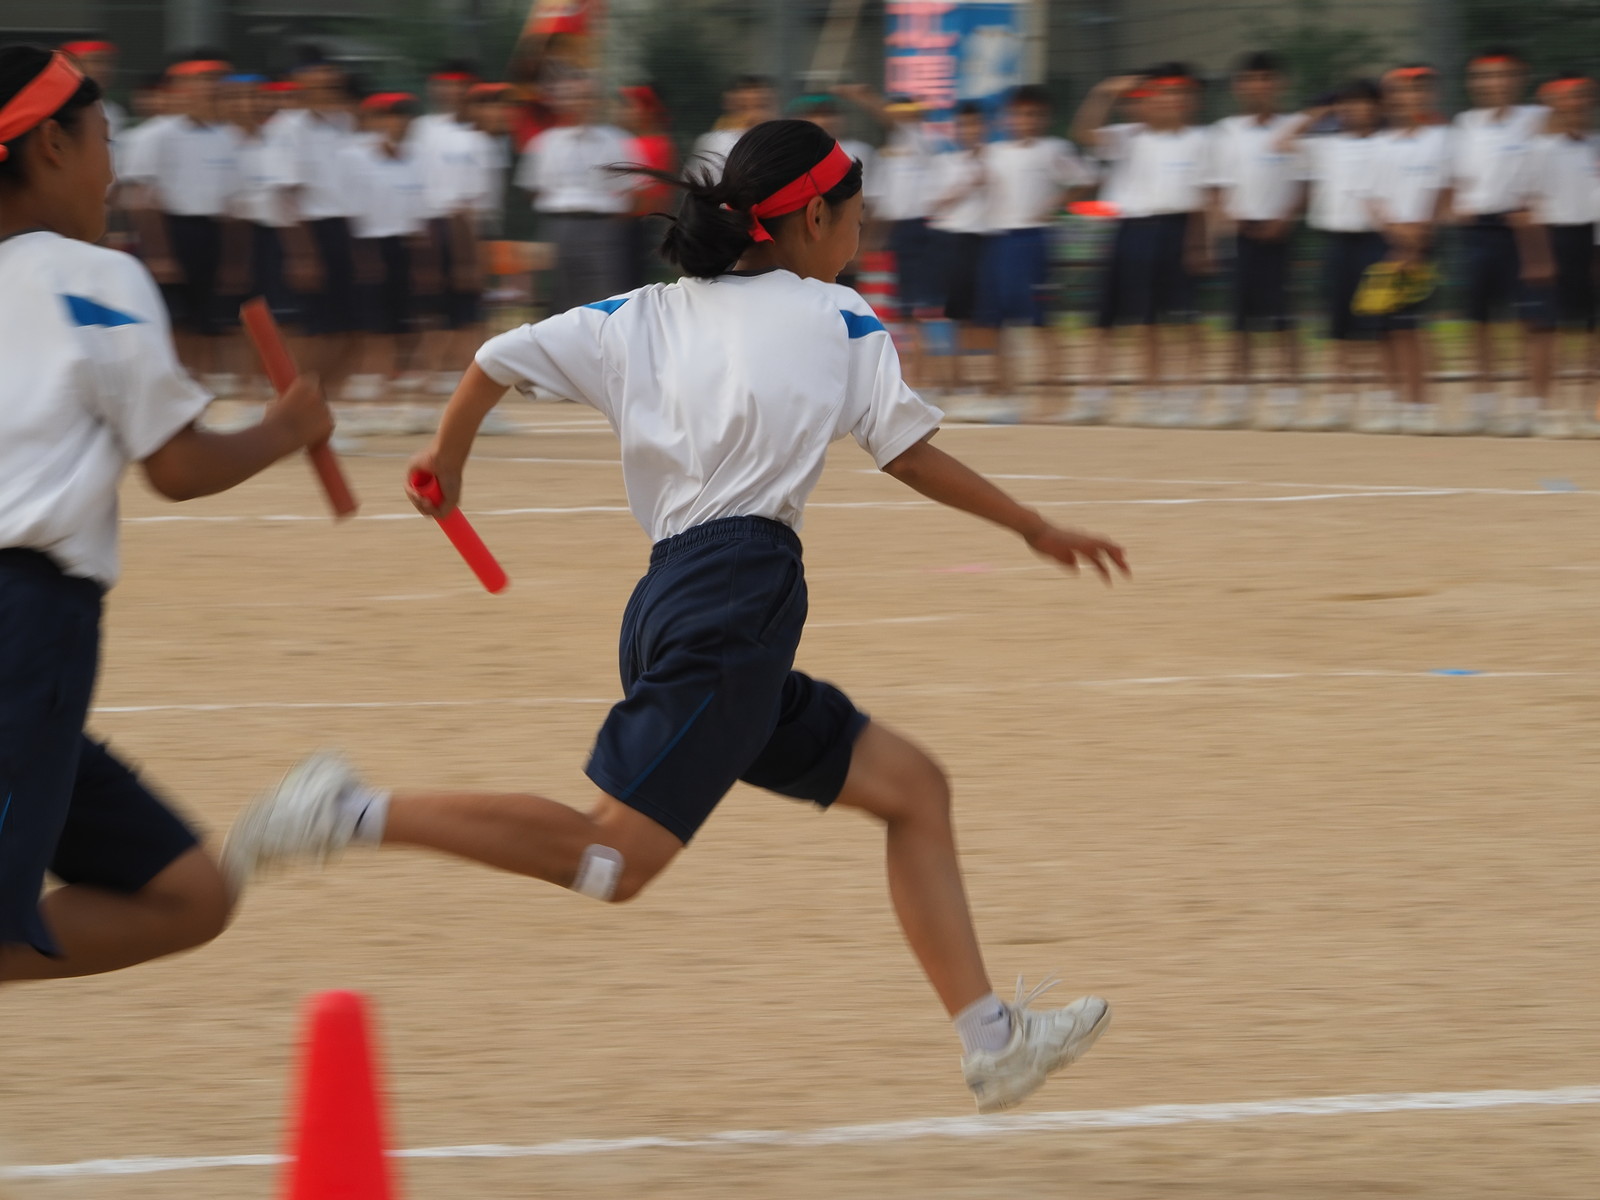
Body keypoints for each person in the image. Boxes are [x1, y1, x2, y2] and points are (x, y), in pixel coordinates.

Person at [224, 118, 1127, 1114]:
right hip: (737, 600)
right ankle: (347, 810)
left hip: (673, 600)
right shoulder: (838, 318)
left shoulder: (639, 313)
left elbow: (492, 358)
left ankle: (991, 1040)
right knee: (608, 860)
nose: (859, 243)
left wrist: (447, 462)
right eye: (856, 221)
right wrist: (1032, 526)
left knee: (911, 787)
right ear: (812, 216)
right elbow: (908, 454)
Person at [0, 45, 333, 985]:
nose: (114, 170)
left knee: (187, 890)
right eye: (105, 141)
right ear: (52, 148)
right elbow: (179, 466)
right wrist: (287, 428)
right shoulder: (90, 278)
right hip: (24, 631)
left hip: (36, 657)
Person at [1073, 67, 1211, 427]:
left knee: (1183, 317)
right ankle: (1142, 394)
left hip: (1179, 228)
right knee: (1135, 317)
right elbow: (1084, 133)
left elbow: (1205, 196)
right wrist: (1104, 91)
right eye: (1158, 94)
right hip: (1132, 228)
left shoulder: (1200, 139)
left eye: (1177, 95)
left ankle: (1186, 394)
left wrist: (1199, 242)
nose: (1168, 102)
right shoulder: (1129, 136)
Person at [1276, 80, 1389, 431]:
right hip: (1336, 241)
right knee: (1336, 325)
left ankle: (1378, 402)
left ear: (1377, 107)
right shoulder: (1326, 146)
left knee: (1378, 324)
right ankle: (1338, 402)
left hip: (1376, 241)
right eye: (1345, 104)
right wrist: (1319, 111)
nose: (1352, 110)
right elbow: (1280, 141)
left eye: (1361, 103)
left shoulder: (1388, 145)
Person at [975, 84, 1092, 418]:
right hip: (997, 238)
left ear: (1045, 118)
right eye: (1019, 113)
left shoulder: (1053, 148)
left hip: (1033, 239)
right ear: (1007, 118)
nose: (1026, 120)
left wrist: (1055, 205)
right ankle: (1004, 395)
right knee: (996, 321)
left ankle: (1057, 397)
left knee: (1041, 321)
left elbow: (1085, 179)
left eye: (1034, 114)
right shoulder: (993, 152)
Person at [1451, 48, 1549, 435]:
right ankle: (1483, 407)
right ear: (1474, 83)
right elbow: (1458, 179)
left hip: (1523, 231)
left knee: (1532, 319)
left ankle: (1532, 408)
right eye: (1484, 77)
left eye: (1502, 75)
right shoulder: (1465, 123)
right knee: (1480, 321)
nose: (1494, 83)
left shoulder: (1538, 118)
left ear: (1518, 78)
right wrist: (1457, 207)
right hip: (1477, 230)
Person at [1207, 51, 1305, 430]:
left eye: (1267, 78)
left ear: (1279, 84)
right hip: (1240, 233)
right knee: (1238, 320)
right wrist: (1220, 228)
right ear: (1238, 87)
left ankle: (1288, 398)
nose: (1259, 86)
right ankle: (1237, 398)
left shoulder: (1293, 127)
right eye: (1251, 79)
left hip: (1278, 232)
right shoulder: (1225, 131)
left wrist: (1286, 217)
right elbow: (1215, 189)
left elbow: (1305, 182)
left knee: (1283, 317)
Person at [127, 56, 239, 389]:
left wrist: (233, 257)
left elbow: (232, 199)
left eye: (216, 83)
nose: (211, 90)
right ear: (180, 90)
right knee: (173, 315)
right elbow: (141, 198)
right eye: (203, 83)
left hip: (212, 229)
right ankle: (173, 382)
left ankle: (200, 382)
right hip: (171, 229)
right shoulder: (154, 135)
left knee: (206, 316)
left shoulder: (225, 135)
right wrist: (160, 253)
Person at [1362, 65, 1453, 434]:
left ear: (1429, 95)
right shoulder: (1380, 143)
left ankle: (1421, 405)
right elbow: (1372, 198)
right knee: (1384, 328)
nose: (1408, 99)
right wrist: (1395, 232)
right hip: (1385, 242)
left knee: (1412, 328)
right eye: (1400, 92)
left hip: (1422, 244)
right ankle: (1394, 401)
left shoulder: (1442, 138)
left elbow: (1446, 190)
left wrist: (1421, 233)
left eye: (1417, 91)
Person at [340, 93, 432, 429]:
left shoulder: (413, 158)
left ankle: (388, 400)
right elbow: (349, 211)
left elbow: (419, 212)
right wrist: (362, 257)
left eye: (403, 116)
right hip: (366, 245)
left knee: (399, 329)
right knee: (369, 330)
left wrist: (421, 260)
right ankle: (363, 402)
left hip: (402, 247)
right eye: (389, 116)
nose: (397, 122)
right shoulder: (354, 156)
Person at [516, 73, 635, 312]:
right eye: (572, 97)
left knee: (603, 298)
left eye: (586, 96)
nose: (580, 103)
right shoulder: (544, 142)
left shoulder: (617, 140)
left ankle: (602, 349)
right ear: (558, 101)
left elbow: (633, 189)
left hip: (602, 228)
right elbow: (532, 188)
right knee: (560, 297)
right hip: (559, 226)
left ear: (597, 101)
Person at [409, 62, 493, 398]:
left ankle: (467, 388)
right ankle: (427, 386)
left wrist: (473, 250)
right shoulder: (421, 129)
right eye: (447, 86)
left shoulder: (481, 137)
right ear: (435, 90)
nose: (454, 94)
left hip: (468, 227)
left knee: (468, 316)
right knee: (434, 316)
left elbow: (476, 203)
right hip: (434, 226)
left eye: (462, 88)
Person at [1525, 74, 1600, 437]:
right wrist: (1539, 257)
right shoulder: (1541, 149)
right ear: (1554, 103)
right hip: (1555, 238)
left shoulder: (1596, 145)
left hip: (1592, 239)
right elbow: (1528, 206)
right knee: (1547, 328)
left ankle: (1591, 410)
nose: (1577, 104)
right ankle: (1544, 410)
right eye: (1568, 97)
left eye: (1583, 97)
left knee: (1592, 331)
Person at [929, 100, 992, 398]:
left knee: (982, 314)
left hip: (985, 239)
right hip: (953, 240)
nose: (971, 130)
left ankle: (980, 379)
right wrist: (967, 186)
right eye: (965, 125)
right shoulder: (945, 163)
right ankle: (955, 380)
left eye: (976, 124)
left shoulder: (995, 158)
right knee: (954, 314)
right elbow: (934, 203)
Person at [619, 84, 676, 289]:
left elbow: (654, 195)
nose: (626, 111)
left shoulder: (658, 144)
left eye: (633, 106)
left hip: (639, 224)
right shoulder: (624, 141)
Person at [690, 74, 779, 180]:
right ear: (728, 106)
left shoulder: (783, 144)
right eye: (742, 108)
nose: (753, 115)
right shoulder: (713, 145)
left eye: (762, 106)